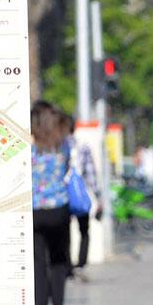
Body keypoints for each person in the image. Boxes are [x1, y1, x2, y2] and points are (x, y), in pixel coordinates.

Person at [30, 101, 73, 305]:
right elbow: (67, 168)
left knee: (38, 265)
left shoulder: (30, 144)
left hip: (35, 210)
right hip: (59, 209)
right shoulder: (62, 144)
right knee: (58, 261)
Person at [68, 119, 103, 277]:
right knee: (84, 230)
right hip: (80, 195)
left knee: (63, 230)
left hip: (62, 196)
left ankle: (66, 265)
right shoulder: (82, 146)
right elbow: (91, 174)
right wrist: (98, 196)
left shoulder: (55, 146)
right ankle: (81, 263)